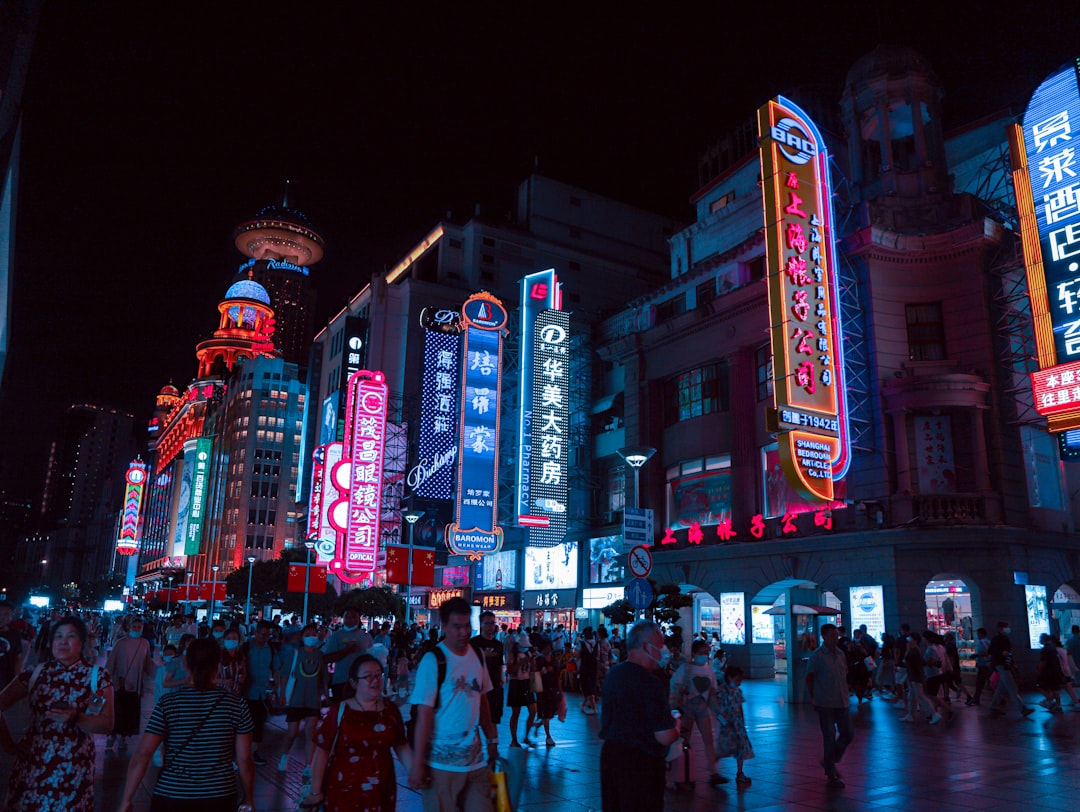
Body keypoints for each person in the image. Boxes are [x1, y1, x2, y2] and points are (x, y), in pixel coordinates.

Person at [119, 637, 255, 812]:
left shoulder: (168, 704)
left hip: (172, 793)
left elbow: (143, 753)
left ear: (186, 665)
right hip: (219, 794)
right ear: (218, 666)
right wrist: (248, 797)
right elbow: (245, 759)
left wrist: (127, 799)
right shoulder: (236, 705)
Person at [0, 616, 114, 812]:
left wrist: (77, 718)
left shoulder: (97, 677)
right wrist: (9, 745)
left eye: (71, 636)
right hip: (33, 766)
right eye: (58, 636)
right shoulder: (35, 673)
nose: (63, 641)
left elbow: (107, 724)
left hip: (75, 768)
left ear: (82, 641)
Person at [408, 596, 498, 812]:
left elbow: (482, 699)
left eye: (467, 626)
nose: (464, 632)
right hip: (441, 767)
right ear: (444, 626)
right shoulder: (433, 660)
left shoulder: (477, 654)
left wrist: (492, 739)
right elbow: (424, 717)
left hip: (475, 761)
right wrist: (418, 764)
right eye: (457, 626)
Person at [300, 654, 413, 811]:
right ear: (354, 683)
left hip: (382, 792)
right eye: (367, 676)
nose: (375, 680)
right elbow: (322, 751)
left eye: (378, 674)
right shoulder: (340, 712)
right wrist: (315, 791)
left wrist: (414, 772)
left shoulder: (390, 711)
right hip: (344, 792)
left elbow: (401, 745)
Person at [598, 620, 680, 812]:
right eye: (660, 646)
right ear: (646, 647)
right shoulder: (651, 683)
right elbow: (665, 735)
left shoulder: (614, 674)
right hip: (642, 764)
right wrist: (676, 725)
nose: (664, 651)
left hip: (611, 758)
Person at [668, 638, 724, 785]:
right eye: (701, 653)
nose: (704, 655)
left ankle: (713, 771)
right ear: (693, 653)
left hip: (702, 708)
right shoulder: (686, 669)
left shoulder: (708, 669)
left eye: (706, 652)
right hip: (687, 709)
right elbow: (674, 686)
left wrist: (718, 711)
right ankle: (681, 770)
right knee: (684, 739)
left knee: (708, 739)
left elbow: (712, 692)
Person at [805, 623, 852, 788]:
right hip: (825, 702)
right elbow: (809, 677)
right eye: (832, 635)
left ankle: (829, 760)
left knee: (848, 733)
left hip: (842, 701)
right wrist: (813, 697)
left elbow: (844, 674)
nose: (836, 637)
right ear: (824, 636)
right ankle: (831, 772)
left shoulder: (840, 654)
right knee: (829, 736)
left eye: (836, 634)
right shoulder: (817, 656)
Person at [279, 623, 327, 775]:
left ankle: (308, 765)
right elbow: (285, 674)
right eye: (308, 635)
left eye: (314, 635)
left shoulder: (319, 655)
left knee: (310, 733)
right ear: (302, 637)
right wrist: (282, 694)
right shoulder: (295, 654)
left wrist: (325, 694)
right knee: (291, 734)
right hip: (295, 699)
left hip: (313, 700)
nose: (311, 638)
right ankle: (284, 756)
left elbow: (324, 676)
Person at [106, 615, 155, 751]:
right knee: (117, 710)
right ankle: (112, 736)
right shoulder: (120, 643)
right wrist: (106, 678)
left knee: (130, 713)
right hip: (119, 683)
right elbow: (111, 663)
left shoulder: (144, 643)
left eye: (139, 627)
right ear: (129, 627)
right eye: (134, 626)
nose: (137, 629)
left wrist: (161, 674)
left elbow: (148, 664)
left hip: (136, 685)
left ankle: (124, 738)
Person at [243, 619, 282, 766]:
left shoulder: (270, 649)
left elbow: (276, 668)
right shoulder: (246, 647)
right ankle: (242, 752)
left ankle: (253, 752)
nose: (264, 638)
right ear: (256, 632)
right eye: (262, 634)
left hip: (262, 693)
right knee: (244, 724)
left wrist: (276, 686)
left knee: (259, 723)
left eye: (267, 635)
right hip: (246, 692)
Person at [714, 664, 754, 786]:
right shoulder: (721, 691)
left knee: (740, 748)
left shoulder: (737, 691)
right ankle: (713, 770)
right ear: (729, 678)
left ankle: (739, 772)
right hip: (727, 724)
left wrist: (742, 721)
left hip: (736, 723)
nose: (739, 683)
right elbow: (717, 706)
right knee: (723, 748)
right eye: (737, 680)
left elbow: (739, 707)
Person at [323, 608, 373, 702]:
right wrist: (346, 651)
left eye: (353, 617)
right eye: (347, 617)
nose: (350, 619)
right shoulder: (337, 636)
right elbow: (327, 658)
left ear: (358, 619)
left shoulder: (366, 637)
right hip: (341, 680)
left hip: (361, 682)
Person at [988, 620, 1034, 718]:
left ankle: (994, 707)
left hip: (1003, 665)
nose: (1009, 629)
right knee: (1012, 687)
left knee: (1001, 687)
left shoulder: (1002, 638)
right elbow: (994, 651)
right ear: (1001, 629)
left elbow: (1003, 652)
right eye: (1007, 627)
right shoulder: (999, 639)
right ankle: (1022, 708)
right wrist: (1003, 655)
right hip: (1003, 665)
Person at [470, 611, 505, 728]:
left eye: (492, 623)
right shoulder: (474, 643)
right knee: (476, 719)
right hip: (477, 685)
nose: (490, 626)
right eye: (487, 623)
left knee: (493, 719)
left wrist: (501, 680)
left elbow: (500, 664)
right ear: (481, 624)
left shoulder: (498, 645)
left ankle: (492, 742)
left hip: (494, 685)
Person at [505, 628, 536, 748]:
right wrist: (522, 662)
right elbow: (509, 670)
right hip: (516, 683)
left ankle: (526, 736)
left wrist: (532, 663)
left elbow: (533, 668)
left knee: (533, 710)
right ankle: (514, 739)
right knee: (516, 712)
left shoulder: (528, 653)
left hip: (527, 682)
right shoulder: (513, 654)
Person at [531, 637, 563, 747]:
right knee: (545, 713)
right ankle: (548, 736)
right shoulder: (539, 660)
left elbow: (558, 676)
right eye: (546, 648)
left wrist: (560, 689)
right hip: (542, 690)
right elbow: (534, 675)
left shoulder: (554, 660)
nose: (548, 649)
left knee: (550, 713)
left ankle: (538, 725)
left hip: (552, 689)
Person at [0, 603, 25, 690]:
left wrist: (16, 680)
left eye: (6, 614)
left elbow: (17, 658)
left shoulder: (14, 634)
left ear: (12, 617)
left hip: (5, 680)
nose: (1, 617)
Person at [577, 626, 599, 715]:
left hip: (584, 667)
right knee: (591, 685)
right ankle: (583, 704)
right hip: (594, 667)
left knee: (586, 686)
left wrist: (578, 669)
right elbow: (598, 656)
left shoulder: (581, 643)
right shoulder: (596, 643)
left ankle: (594, 708)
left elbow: (578, 657)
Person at [596, 625, 613, 690]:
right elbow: (610, 653)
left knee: (599, 678)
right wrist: (610, 661)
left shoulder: (599, 643)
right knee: (606, 678)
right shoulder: (607, 642)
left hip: (600, 662)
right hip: (606, 662)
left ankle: (601, 689)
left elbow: (598, 653)